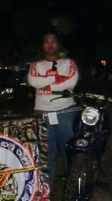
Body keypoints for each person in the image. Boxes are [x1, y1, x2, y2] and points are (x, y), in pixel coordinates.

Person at [26, 33, 78, 186]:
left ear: (58, 45)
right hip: (42, 112)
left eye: (53, 42)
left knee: (70, 149)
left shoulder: (68, 63)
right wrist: (58, 78)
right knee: (46, 153)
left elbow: (71, 81)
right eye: (46, 42)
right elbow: (33, 81)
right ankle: (47, 189)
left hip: (66, 110)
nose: (50, 45)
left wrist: (46, 84)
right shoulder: (36, 65)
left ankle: (74, 185)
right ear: (43, 45)